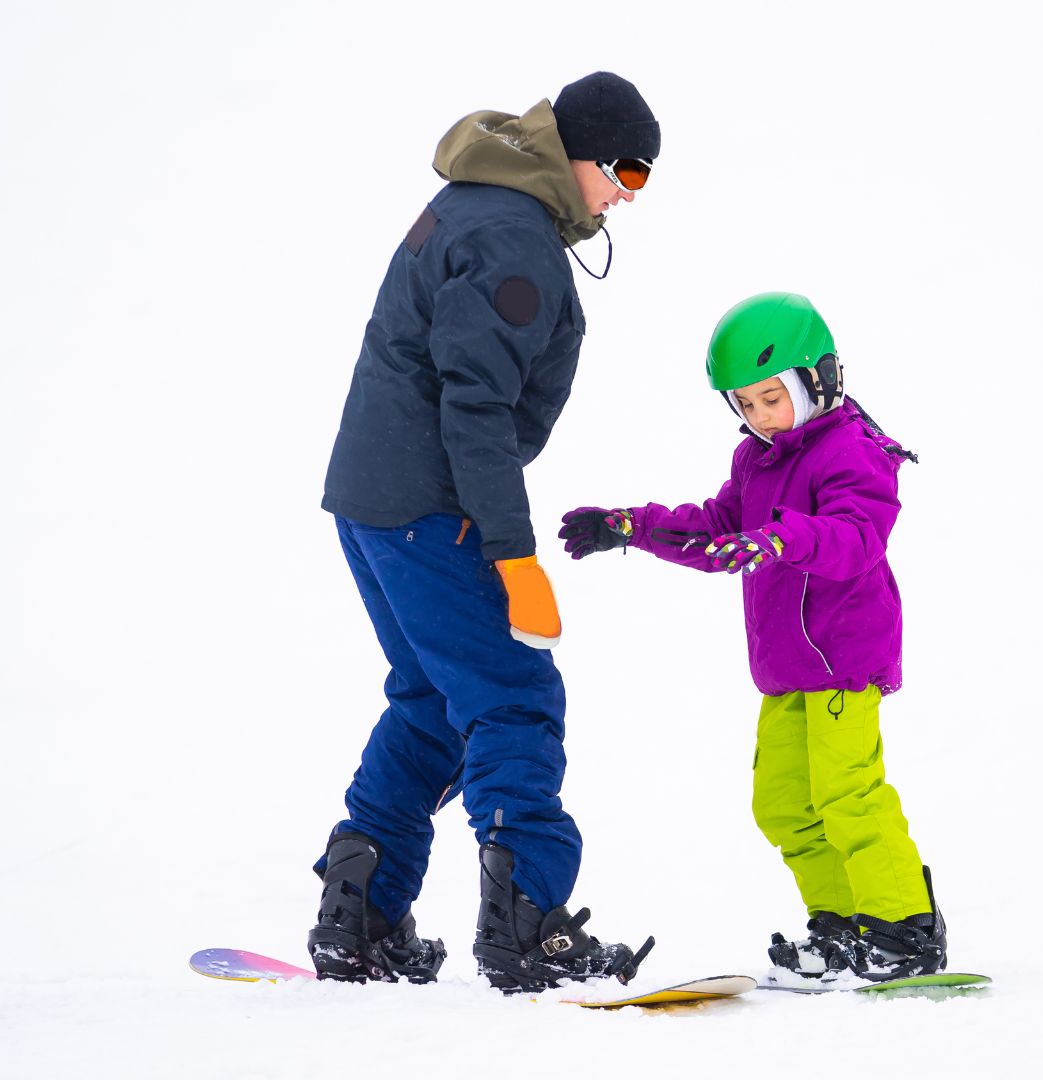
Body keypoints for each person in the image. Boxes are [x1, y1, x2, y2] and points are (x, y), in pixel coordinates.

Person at [312, 72, 660, 993]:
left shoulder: (478, 205)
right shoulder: (514, 241)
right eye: (623, 166)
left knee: (433, 699)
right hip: (431, 509)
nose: (628, 189)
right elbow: (475, 411)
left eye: (645, 175)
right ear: (572, 151)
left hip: (374, 500)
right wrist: (514, 553)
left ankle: (360, 912)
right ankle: (527, 924)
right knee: (512, 698)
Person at [557, 292, 948, 982]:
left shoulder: (853, 452)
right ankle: (839, 924)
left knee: (848, 793)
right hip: (789, 667)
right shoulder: (758, 462)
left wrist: (779, 538)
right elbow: (715, 529)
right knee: (783, 803)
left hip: (843, 659)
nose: (761, 417)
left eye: (773, 398)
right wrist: (632, 527)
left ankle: (904, 926)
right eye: (745, 405)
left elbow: (857, 539)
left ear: (818, 380)